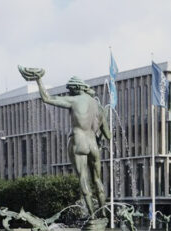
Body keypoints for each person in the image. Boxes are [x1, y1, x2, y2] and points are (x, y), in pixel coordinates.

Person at [22, 68, 111, 216]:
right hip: (93, 145)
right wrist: (100, 136)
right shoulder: (98, 106)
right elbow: (108, 135)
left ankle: (93, 217)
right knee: (97, 179)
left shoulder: (74, 100)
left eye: (70, 90)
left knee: (83, 177)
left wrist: (39, 80)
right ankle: (103, 214)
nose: (69, 93)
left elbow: (47, 98)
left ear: (76, 88)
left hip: (78, 141)